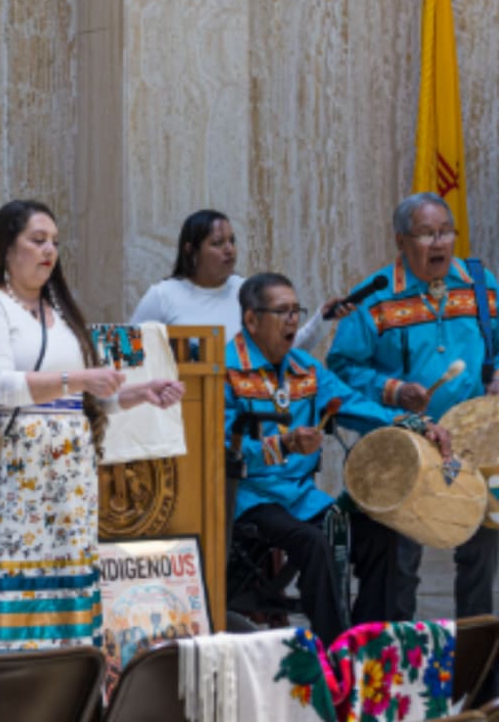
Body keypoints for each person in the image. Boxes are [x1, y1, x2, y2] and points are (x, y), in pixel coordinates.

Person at [0, 199, 184, 661]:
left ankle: (60, 693)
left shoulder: (60, 311)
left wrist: (138, 394)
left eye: (55, 243)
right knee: (5, 580)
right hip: (11, 475)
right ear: (6, 246)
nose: (49, 251)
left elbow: (77, 402)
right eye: (37, 240)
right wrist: (80, 380)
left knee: (64, 583)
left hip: (65, 481)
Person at [225, 272, 451, 644]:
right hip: (249, 496)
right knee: (315, 541)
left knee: (380, 534)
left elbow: (355, 404)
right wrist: (282, 445)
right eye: (281, 312)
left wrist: (415, 423)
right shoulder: (225, 370)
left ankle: (365, 643)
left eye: (296, 311)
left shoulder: (304, 369)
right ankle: (334, 654)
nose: (293, 320)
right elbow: (221, 446)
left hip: (300, 496)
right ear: (251, 319)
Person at [327, 193, 499, 619]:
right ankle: (399, 666)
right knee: (399, 566)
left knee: (480, 555)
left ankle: (475, 671)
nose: (438, 242)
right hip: (407, 445)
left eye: (445, 231)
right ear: (401, 241)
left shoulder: (482, 286)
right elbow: (341, 369)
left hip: (472, 444)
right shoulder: (377, 298)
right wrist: (393, 390)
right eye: (425, 233)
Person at [131, 209, 347, 350]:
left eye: (232, 241)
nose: (229, 250)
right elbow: (125, 352)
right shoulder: (162, 295)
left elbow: (281, 349)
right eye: (217, 243)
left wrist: (322, 319)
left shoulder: (248, 291)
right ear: (191, 250)